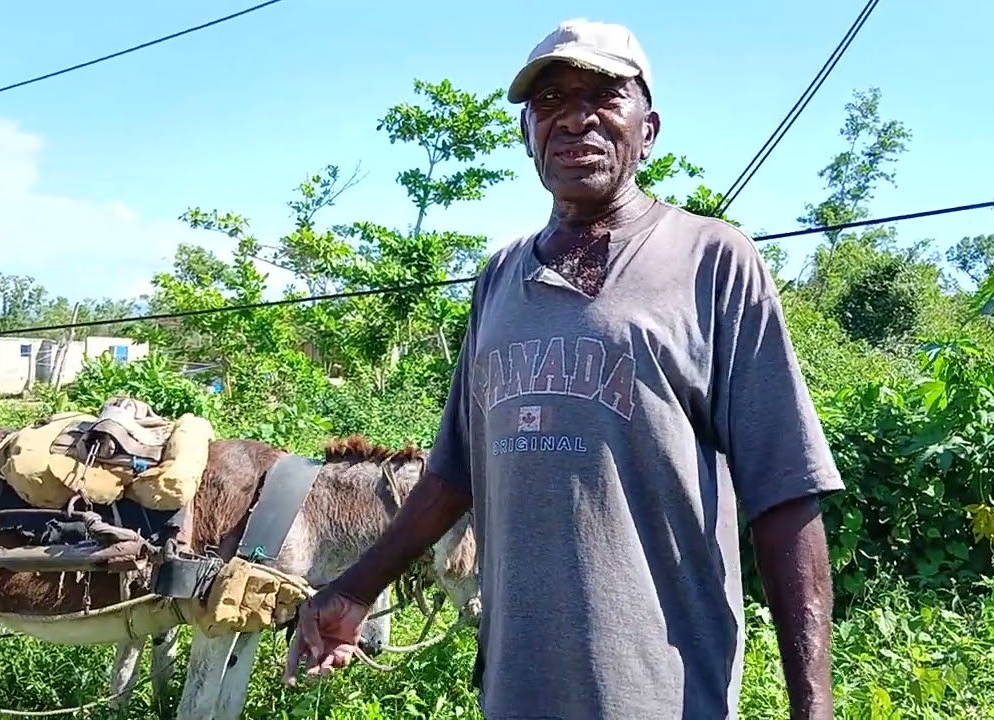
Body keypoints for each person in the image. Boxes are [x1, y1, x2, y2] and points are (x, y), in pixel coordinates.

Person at [286, 17, 845, 720]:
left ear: (649, 128)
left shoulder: (713, 261)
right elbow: (453, 474)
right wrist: (355, 589)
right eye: (549, 101)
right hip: (517, 690)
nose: (575, 118)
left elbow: (785, 492)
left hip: (663, 693)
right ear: (527, 134)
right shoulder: (498, 278)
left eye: (605, 96)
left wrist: (812, 708)